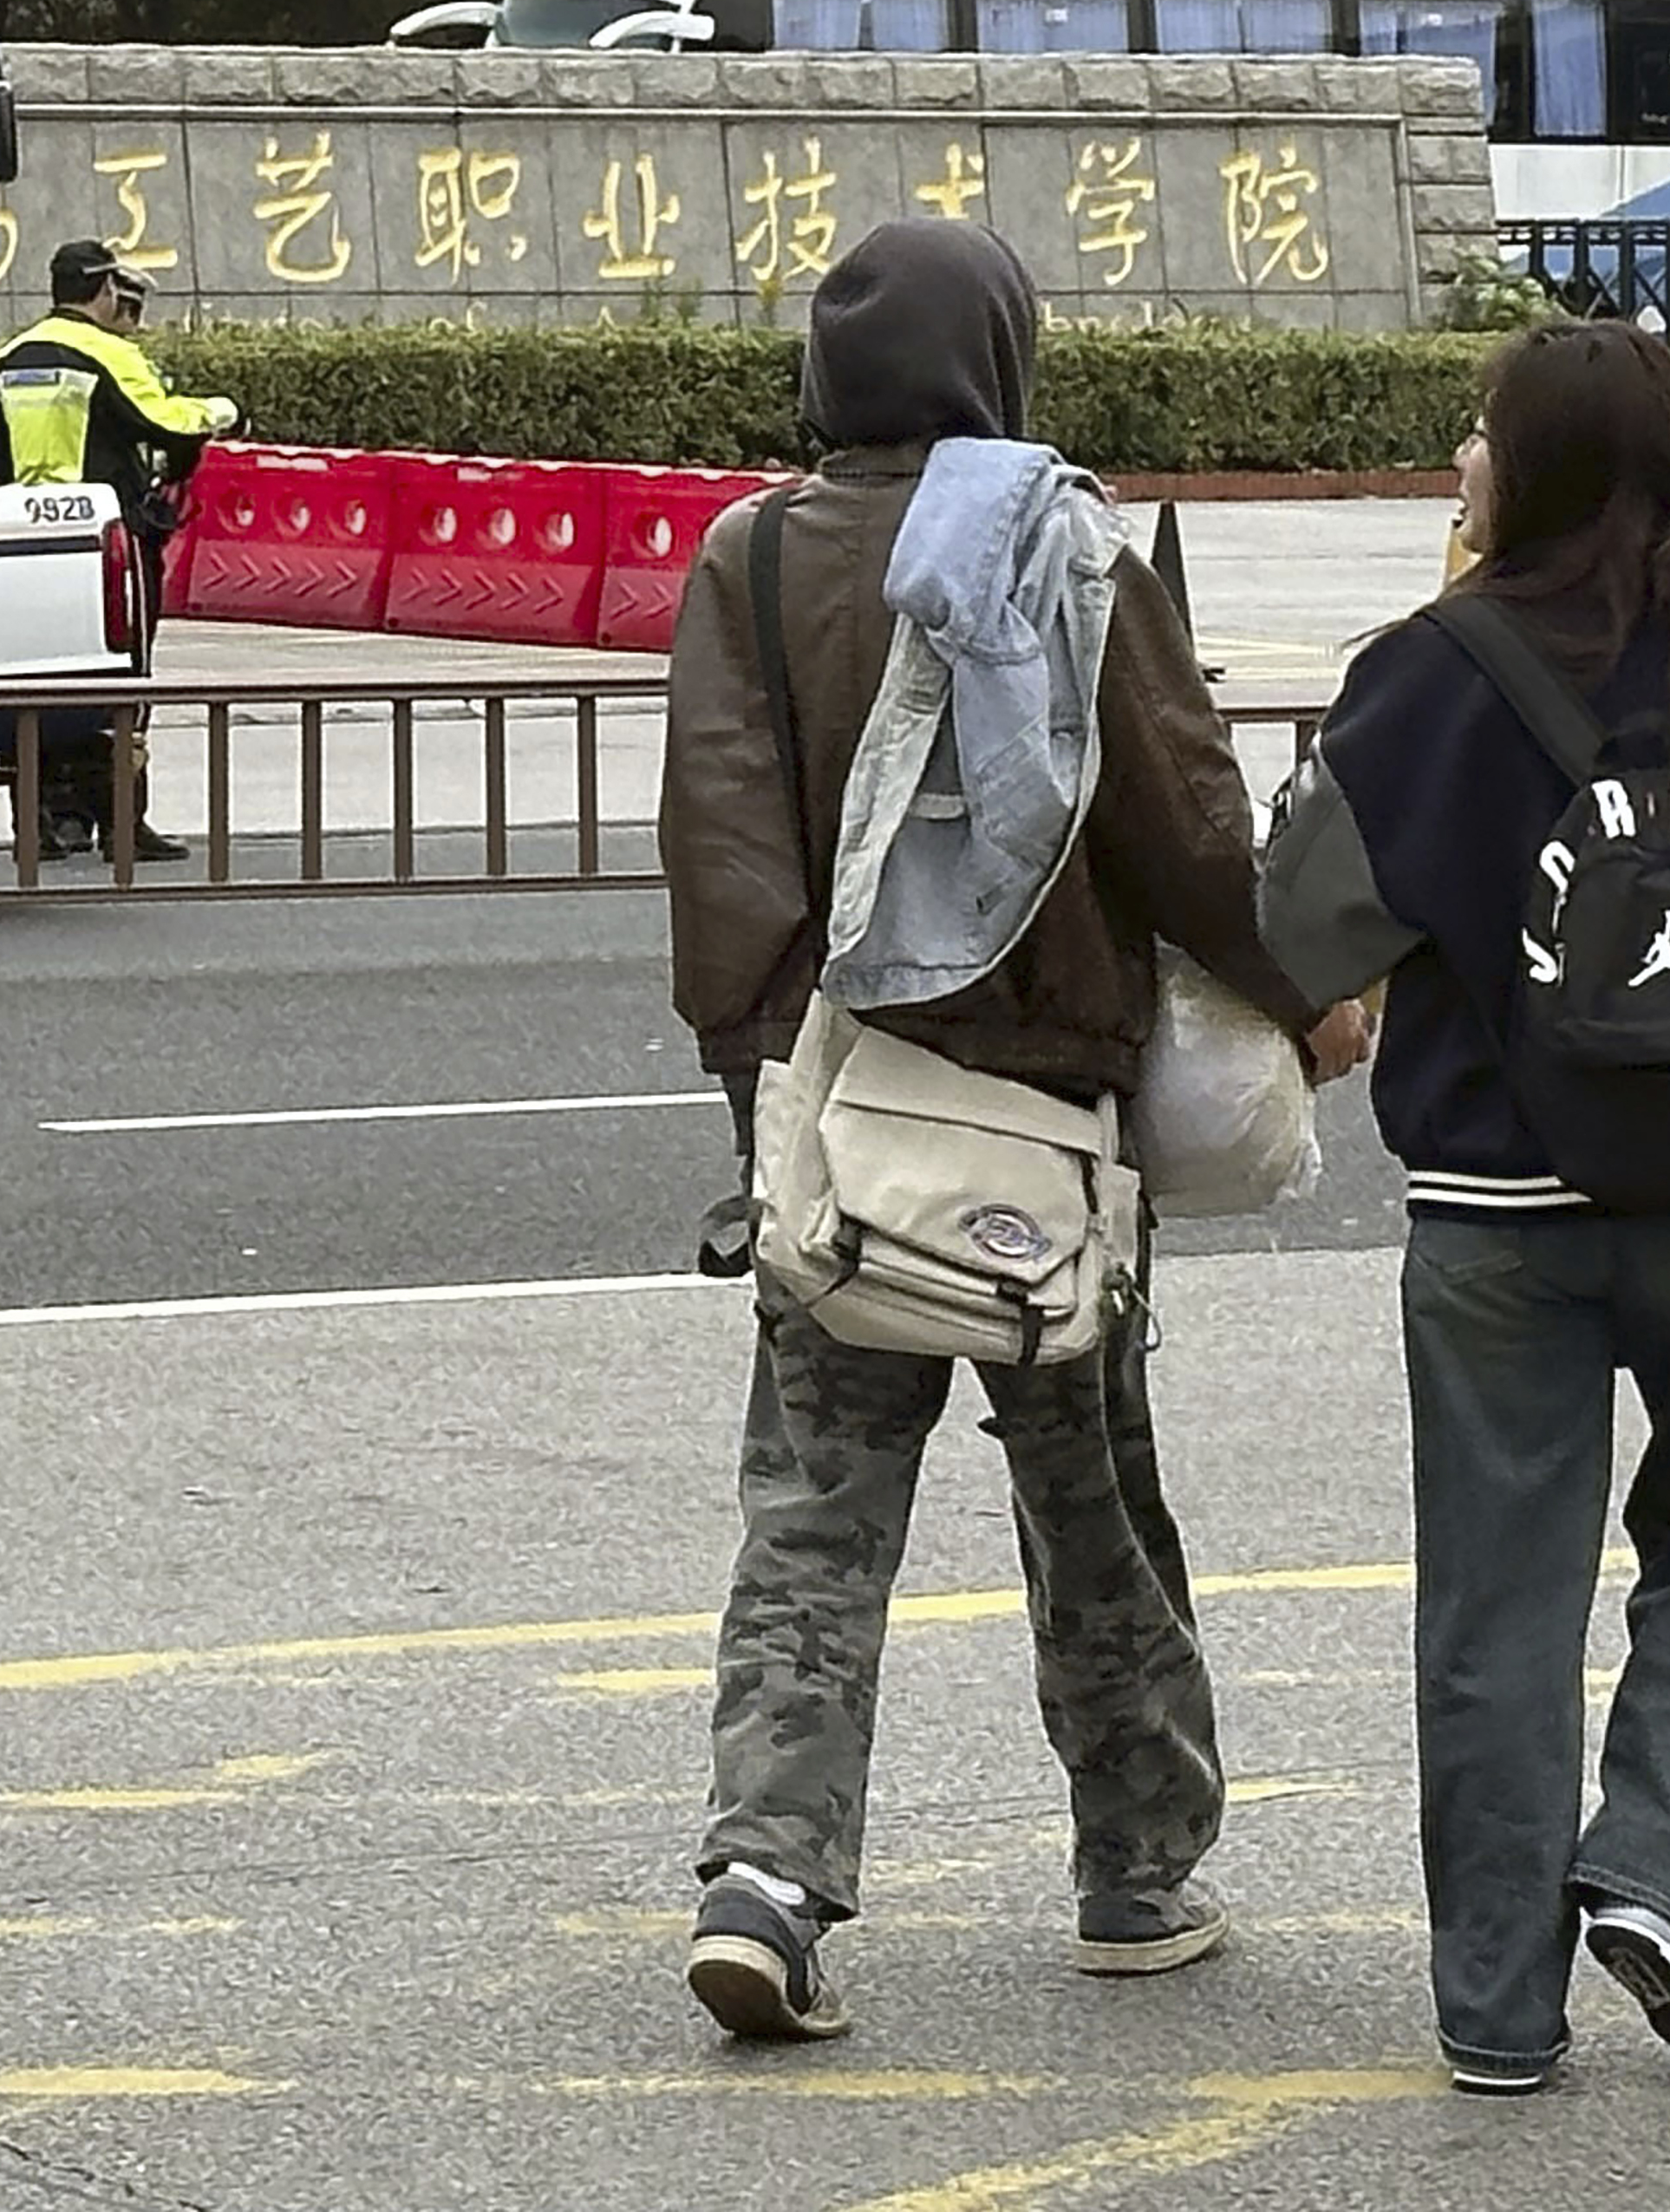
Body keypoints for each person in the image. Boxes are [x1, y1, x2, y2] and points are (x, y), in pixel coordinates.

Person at [657, 219, 1365, 2046]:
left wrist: (767, 1100)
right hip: (1042, 1123)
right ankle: (1136, 1873)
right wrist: (1307, 990)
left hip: (845, 1114)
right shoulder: (1062, 547)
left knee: (814, 1515)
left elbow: (725, 856)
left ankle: (764, 1873)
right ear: (1000, 361)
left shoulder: (742, 561)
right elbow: (1186, 820)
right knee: (1091, 1497)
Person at [1259, 322, 1670, 2098]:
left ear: (1518, 468)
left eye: (1475, 436)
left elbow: (1303, 934)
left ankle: (1492, 2015)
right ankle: (1662, 1871)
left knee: (1498, 1597)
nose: (1460, 458)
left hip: (1492, 1207)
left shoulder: (1419, 674)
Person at [0, 237, 238, 861]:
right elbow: (167, 421)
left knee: (36, 675)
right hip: (108, 540)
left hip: (29, 538)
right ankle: (125, 825)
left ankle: (39, 824)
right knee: (124, 673)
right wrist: (223, 411)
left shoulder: (8, 357)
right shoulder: (107, 353)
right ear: (102, 290)